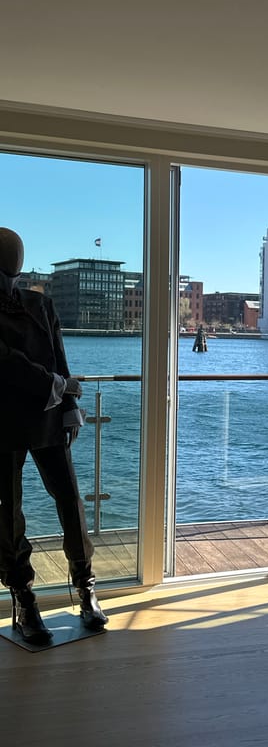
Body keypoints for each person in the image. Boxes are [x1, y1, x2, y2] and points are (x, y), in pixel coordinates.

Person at [0, 227, 107, 644]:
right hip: (4, 421)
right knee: (8, 512)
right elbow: (6, 363)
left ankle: (85, 585)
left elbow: (60, 358)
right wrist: (60, 388)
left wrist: (69, 411)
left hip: (47, 416)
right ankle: (23, 596)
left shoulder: (40, 304)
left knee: (71, 500)